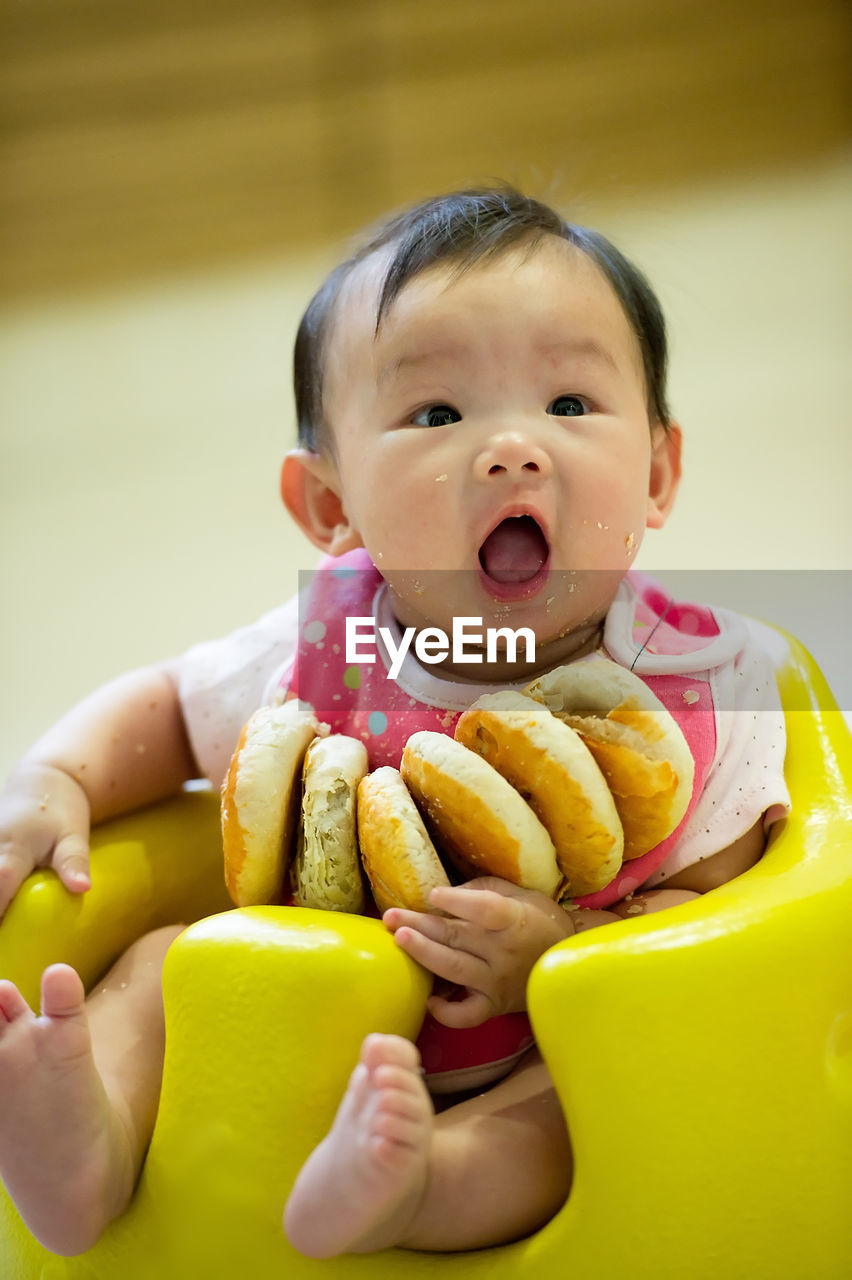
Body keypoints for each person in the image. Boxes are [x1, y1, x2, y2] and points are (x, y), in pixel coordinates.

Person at [0, 187, 790, 1259]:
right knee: (157, 964)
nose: (513, 448)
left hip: (528, 1043)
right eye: (437, 414)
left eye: (568, 403)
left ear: (657, 472)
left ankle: (415, 1185)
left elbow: (719, 925)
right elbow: (171, 707)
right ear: (331, 508)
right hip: (309, 1020)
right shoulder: (325, 640)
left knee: (561, 1112)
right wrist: (56, 776)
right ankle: (85, 1132)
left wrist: (557, 950)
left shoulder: (696, 687)